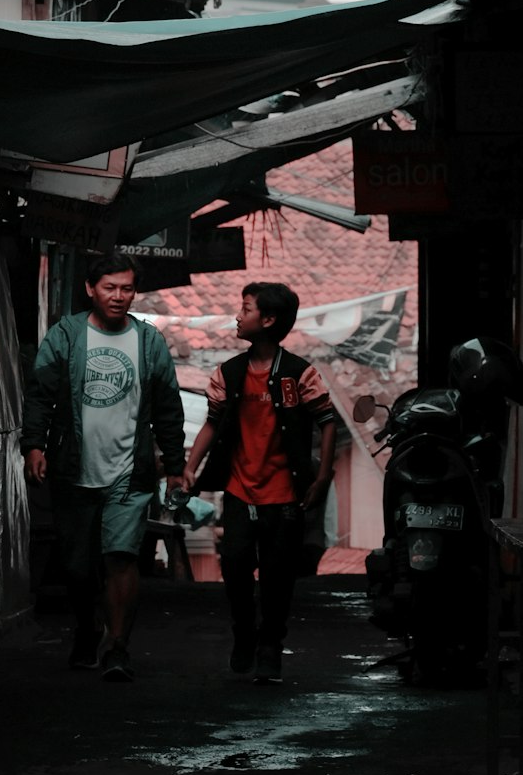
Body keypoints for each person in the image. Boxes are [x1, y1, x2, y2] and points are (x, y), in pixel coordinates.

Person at [21, 250, 185, 682]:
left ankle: (117, 646)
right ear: (90, 289)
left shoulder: (149, 341)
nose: (118, 296)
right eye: (109, 288)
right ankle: (87, 628)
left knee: (121, 557)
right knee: (77, 565)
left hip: (130, 472)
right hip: (73, 467)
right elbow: (40, 394)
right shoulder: (67, 335)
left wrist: (175, 464)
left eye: (127, 288)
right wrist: (33, 445)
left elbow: (168, 405)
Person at [182, 282, 336, 684]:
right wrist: (191, 468)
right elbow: (213, 423)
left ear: (267, 320)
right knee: (233, 564)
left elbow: (328, 420)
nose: (238, 315)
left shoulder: (299, 373)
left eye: (245, 308)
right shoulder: (229, 373)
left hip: (284, 494)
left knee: (277, 576)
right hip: (237, 490)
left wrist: (322, 477)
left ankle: (270, 645)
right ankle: (244, 632)